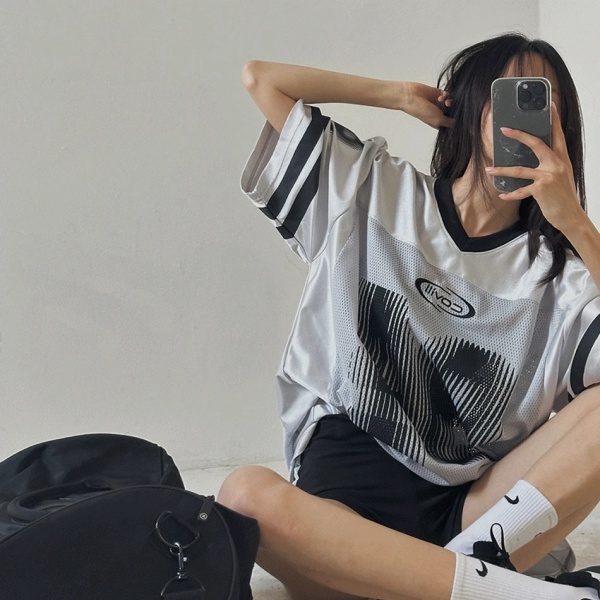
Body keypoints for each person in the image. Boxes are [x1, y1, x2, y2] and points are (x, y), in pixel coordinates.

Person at [218, 32, 600, 600]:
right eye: (509, 93)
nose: (524, 121)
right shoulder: (370, 187)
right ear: (471, 103)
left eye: (545, 105)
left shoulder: (561, 276)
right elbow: (262, 79)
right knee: (244, 496)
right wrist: (396, 95)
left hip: (473, 520)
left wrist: (575, 224)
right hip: (341, 515)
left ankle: (450, 582)